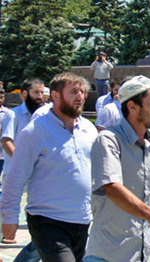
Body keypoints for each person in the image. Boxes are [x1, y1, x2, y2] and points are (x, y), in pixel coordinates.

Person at [0, 72, 98, 261]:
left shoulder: (89, 130)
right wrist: (10, 217)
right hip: (47, 219)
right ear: (55, 96)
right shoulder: (36, 131)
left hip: (82, 219)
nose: (80, 97)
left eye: (82, 92)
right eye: (73, 92)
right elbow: (16, 176)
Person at [85, 75, 150, 262]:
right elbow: (112, 188)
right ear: (132, 106)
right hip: (110, 254)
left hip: (145, 254)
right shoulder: (108, 140)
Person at [1, 78, 45, 223]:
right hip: (15, 170)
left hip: (37, 171)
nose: (40, 96)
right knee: (10, 204)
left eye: (42, 92)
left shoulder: (45, 115)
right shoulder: (14, 114)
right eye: (36, 92)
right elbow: (6, 141)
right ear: (25, 93)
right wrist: (21, 161)